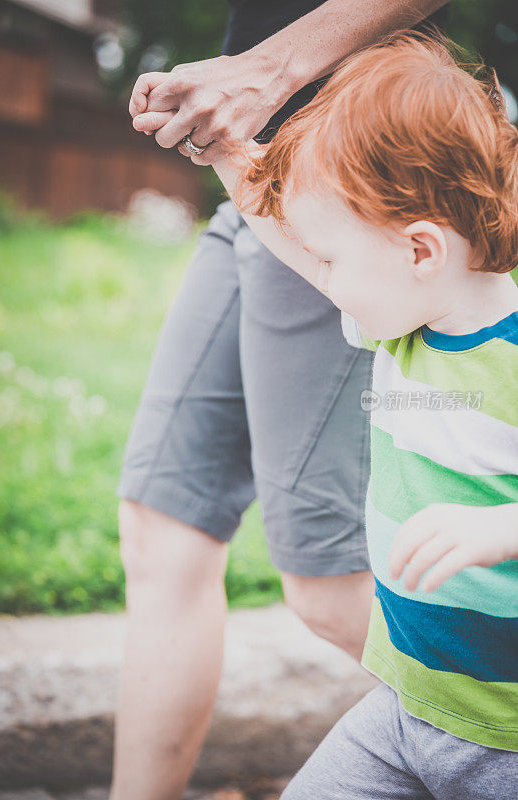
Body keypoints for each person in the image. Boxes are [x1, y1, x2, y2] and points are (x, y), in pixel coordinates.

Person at [133, 28, 518, 799]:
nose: (320, 277)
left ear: (419, 251)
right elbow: (289, 235)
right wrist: (221, 151)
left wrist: (500, 527)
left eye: (333, 261)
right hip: (403, 715)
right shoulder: (405, 325)